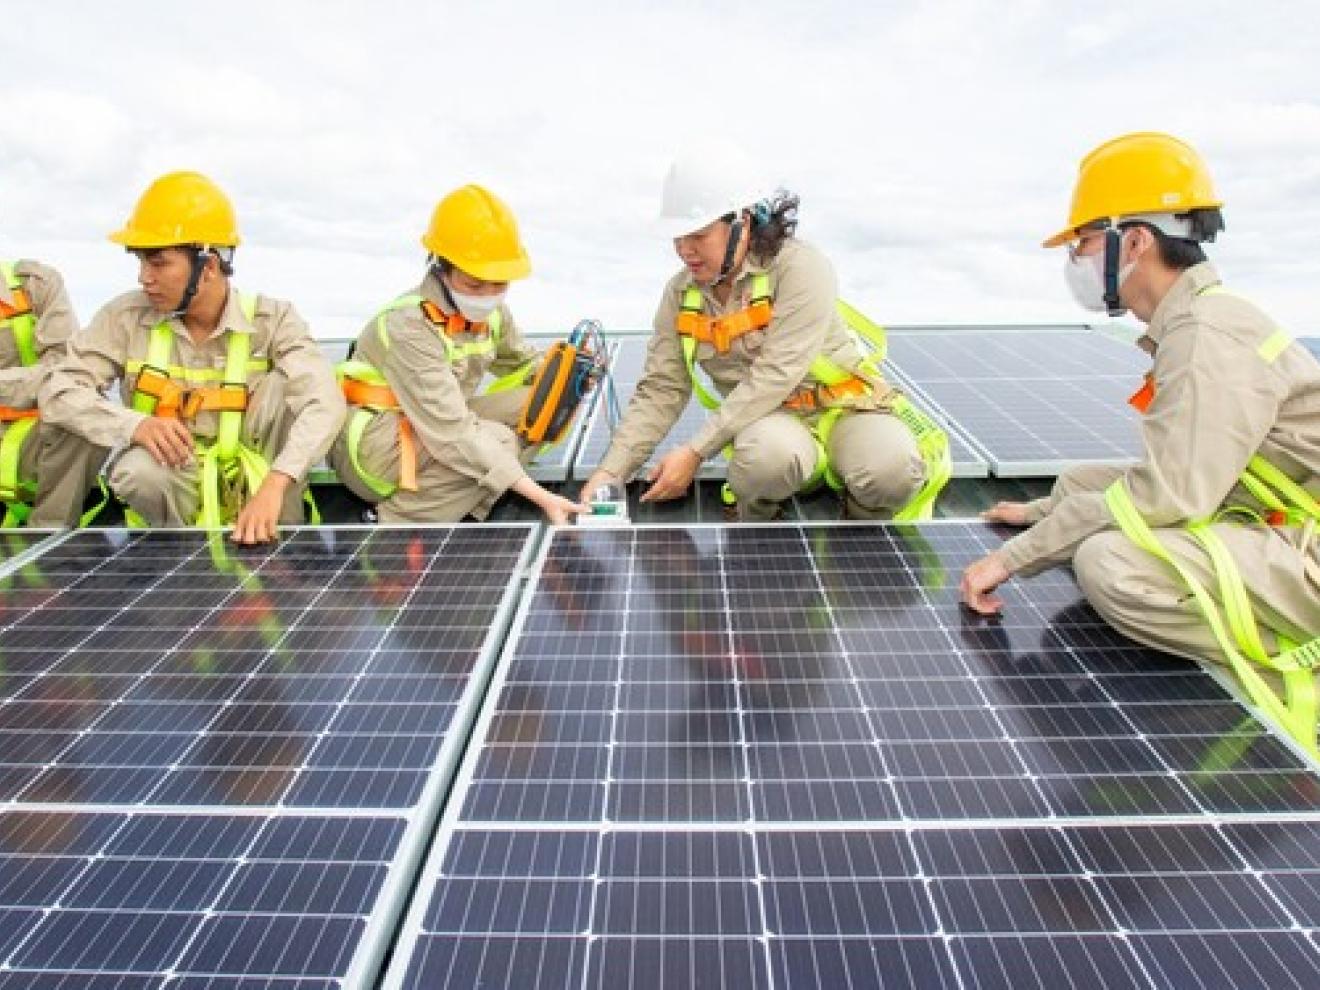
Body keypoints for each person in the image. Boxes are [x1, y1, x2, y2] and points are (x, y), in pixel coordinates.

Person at [960, 132, 1320, 751]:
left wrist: (1014, 557)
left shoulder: (1207, 333)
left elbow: (1167, 496)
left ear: (1136, 241)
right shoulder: (1195, 317)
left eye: (1084, 241)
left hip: (1306, 546)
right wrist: (1048, 513)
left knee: (1111, 566)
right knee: (1078, 486)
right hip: (1270, 505)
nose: (1075, 256)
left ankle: (1285, 657)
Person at [580, 139, 939, 522]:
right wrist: (611, 473)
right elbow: (663, 388)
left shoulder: (800, 267)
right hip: (770, 423)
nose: (685, 250)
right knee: (764, 462)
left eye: (699, 235)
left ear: (743, 223)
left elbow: (776, 373)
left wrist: (695, 451)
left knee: (892, 471)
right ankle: (760, 527)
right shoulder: (680, 295)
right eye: (677, 237)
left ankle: (856, 533)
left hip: (845, 408)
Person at [40, 171, 344, 543]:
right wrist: (133, 425)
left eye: (158, 263)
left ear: (209, 267)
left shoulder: (274, 320)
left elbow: (325, 403)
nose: (143, 278)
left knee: (288, 386)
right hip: (173, 488)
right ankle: (175, 556)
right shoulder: (123, 318)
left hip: (263, 488)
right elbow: (60, 391)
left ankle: (280, 541)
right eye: (140, 262)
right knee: (136, 472)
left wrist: (277, 482)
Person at [329, 183, 583, 524]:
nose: (489, 294)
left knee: (543, 406)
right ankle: (393, 522)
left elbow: (525, 362)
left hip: (430, 427)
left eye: (499, 283)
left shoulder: (491, 314)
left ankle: (460, 494)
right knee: (498, 443)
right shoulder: (409, 326)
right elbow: (452, 432)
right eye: (475, 284)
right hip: (376, 443)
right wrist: (540, 497)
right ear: (441, 267)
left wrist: (571, 374)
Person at [0, 255, 106, 527]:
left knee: (86, 414)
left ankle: (47, 540)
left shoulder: (36, 284)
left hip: (30, 434)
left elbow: (64, 366)